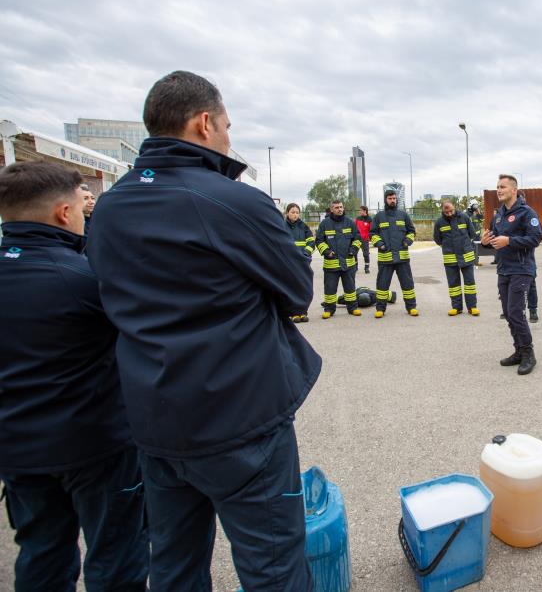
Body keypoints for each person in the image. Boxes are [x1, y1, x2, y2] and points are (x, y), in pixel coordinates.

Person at [87, 71, 321, 589]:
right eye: (228, 127)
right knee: (274, 566)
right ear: (204, 122)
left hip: (153, 422)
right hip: (239, 423)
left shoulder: (107, 208)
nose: (229, 139)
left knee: (173, 563)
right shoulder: (231, 201)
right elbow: (296, 290)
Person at [0, 162, 148, 591]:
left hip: (16, 449)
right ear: (64, 213)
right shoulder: (86, 278)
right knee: (116, 558)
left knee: (40, 553)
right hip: (95, 446)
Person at [482, 174, 542, 375]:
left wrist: (509, 241)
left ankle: (528, 353)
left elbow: (535, 238)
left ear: (514, 190)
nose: (498, 190)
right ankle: (518, 350)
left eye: (503, 187)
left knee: (516, 312)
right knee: (509, 313)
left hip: (522, 269)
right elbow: (493, 238)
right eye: (497, 186)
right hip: (504, 269)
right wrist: (485, 241)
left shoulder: (527, 213)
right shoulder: (498, 214)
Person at [371, 189, 418, 317]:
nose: (392, 201)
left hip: (402, 258)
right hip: (385, 258)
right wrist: (380, 244)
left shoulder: (403, 215)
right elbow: (372, 233)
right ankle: (380, 309)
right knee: (382, 285)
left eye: (394, 198)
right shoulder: (379, 217)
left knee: (407, 284)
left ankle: (411, 307)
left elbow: (411, 231)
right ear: (386, 200)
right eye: (390, 198)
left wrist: (408, 241)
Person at [317, 200, 363, 319]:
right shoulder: (324, 224)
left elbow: (358, 238)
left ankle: (353, 308)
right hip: (331, 264)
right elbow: (319, 240)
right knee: (330, 288)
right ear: (331, 209)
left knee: (350, 288)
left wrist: (353, 249)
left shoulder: (350, 222)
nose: (339, 209)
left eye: (341, 207)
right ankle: (329, 309)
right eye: (336, 207)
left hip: (348, 263)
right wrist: (327, 252)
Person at [433, 199, 479, 315]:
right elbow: (438, 240)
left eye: (451, 211)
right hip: (450, 258)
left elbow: (472, 233)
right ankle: (456, 307)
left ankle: (472, 307)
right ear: (442, 210)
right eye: (446, 212)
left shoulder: (464, 217)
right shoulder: (439, 222)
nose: (449, 214)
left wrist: (465, 244)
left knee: (469, 283)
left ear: (454, 207)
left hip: (466, 256)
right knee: (453, 284)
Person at [285, 202, 315, 323]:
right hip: (288, 262)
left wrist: (306, 254)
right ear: (287, 213)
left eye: (297, 212)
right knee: (290, 288)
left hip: (302, 262)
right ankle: (292, 313)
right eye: (293, 212)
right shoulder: (281, 226)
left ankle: (302, 312)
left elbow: (311, 242)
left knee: (303, 287)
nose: (295, 215)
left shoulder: (304, 227)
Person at [355, 205, 373, 273]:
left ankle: (366, 267)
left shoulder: (369, 219)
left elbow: (371, 230)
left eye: (361, 210)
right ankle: (355, 267)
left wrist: (369, 238)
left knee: (366, 254)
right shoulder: (358, 218)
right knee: (354, 253)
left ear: (365, 211)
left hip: (365, 240)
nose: (360, 212)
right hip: (357, 239)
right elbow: (354, 227)